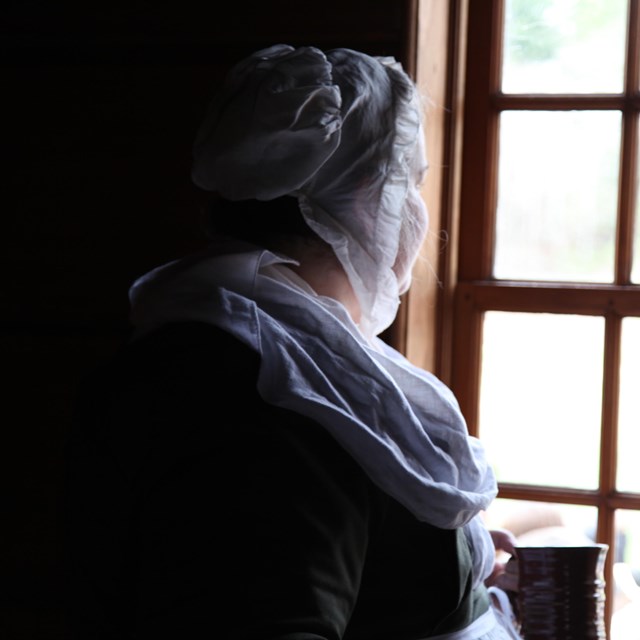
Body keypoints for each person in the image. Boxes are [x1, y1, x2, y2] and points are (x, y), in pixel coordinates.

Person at [64, 44, 519, 639]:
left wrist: (462, 567)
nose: (418, 210)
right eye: (411, 183)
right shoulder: (267, 388)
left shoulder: (267, 335)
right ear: (368, 202)